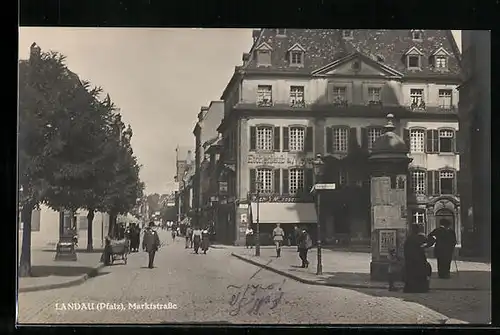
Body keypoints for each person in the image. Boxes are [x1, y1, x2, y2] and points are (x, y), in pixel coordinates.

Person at [403, 223, 432, 293]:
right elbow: (430, 242)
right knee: (420, 275)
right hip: (419, 259)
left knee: (411, 275)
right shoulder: (420, 237)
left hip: (410, 260)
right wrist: (425, 246)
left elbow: (405, 249)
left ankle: (410, 289)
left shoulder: (409, 238)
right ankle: (421, 289)